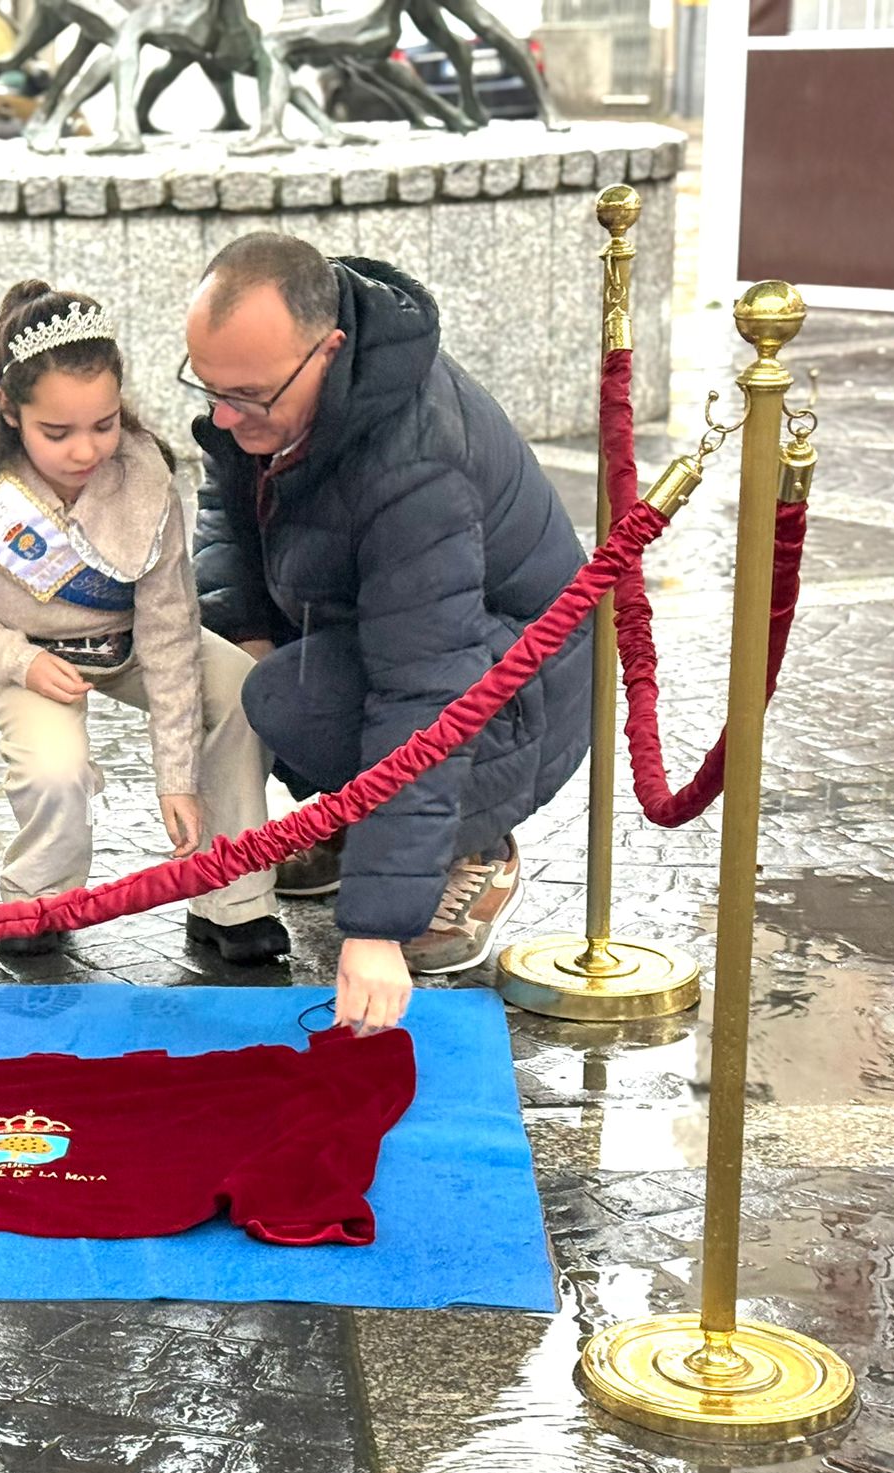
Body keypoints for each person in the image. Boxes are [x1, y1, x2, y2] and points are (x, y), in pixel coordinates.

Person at [183, 233, 591, 1032]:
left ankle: (474, 846)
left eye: (250, 397)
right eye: (209, 390)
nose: (225, 417)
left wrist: (377, 928)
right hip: (392, 639)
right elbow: (227, 515)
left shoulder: (417, 465)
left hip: (518, 688)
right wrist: (254, 632)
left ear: (329, 351)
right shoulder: (262, 392)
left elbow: (430, 690)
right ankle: (362, 825)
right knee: (270, 684)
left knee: (292, 699)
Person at [0, 279, 288, 966]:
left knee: (241, 690)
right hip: (32, 657)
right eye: (58, 432)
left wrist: (175, 777)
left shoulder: (146, 479)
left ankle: (231, 896)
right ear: (9, 409)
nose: (86, 450)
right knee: (55, 769)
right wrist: (16, 660)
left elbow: (171, 632)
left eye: (104, 424)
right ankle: (42, 897)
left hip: (138, 643)